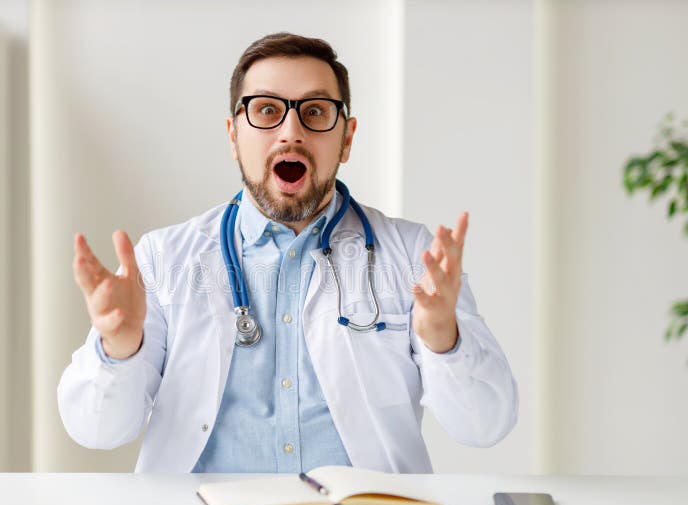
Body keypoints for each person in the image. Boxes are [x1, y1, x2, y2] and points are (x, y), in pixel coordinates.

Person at [57, 33, 518, 474]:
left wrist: (444, 338)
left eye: (315, 111)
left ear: (347, 137)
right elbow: (96, 430)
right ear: (234, 135)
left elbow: (485, 425)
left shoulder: (414, 257)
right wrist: (118, 346)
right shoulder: (163, 258)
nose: (291, 131)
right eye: (266, 110)